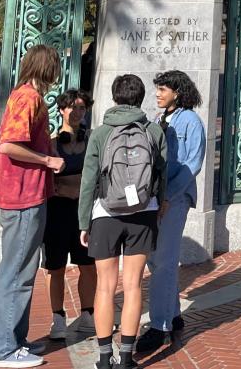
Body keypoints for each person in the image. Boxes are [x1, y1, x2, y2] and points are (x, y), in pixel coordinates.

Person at [79, 74, 167, 369]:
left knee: (105, 286)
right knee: (133, 286)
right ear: (140, 98)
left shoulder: (101, 132)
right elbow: (161, 174)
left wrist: (83, 222)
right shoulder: (153, 131)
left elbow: (89, 181)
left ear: (115, 98)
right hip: (142, 212)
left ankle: (105, 359)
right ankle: (127, 357)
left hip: (106, 214)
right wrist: (158, 205)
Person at [0, 44, 66, 369]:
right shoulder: (28, 98)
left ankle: (13, 341)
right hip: (23, 195)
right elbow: (8, 144)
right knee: (18, 271)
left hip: (25, 194)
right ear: (48, 68)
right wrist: (47, 159)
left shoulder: (25, 96)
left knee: (21, 269)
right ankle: (4, 349)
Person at [136, 71, 206, 354]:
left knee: (163, 261)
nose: (157, 94)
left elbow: (193, 164)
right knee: (157, 259)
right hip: (158, 198)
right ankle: (174, 315)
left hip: (175, 199)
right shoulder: (159, 119)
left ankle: (159, 326)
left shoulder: (191, 121)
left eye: (162, 89)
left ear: (177, 92)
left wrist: (168, 196)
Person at [44, 89, 96, 341]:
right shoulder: (52, 144)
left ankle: (88, 314)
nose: (77, 113)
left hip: (83, 211)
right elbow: (47, 180)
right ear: (62, 110)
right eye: (72, 107)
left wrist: (70, 183)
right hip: (57, 212)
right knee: (56, 268)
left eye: (82, 108)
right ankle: (57, 317)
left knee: (88, 265)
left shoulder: (93, 141)